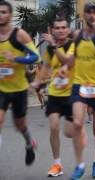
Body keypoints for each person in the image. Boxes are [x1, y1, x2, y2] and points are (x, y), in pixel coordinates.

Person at [59, 2, 95, 179]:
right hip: (80, 86)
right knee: (77, 124)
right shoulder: (77, 35)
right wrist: (64, 68)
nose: (91, 15)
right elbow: (71, 60)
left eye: (94, 12)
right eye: (88, 12)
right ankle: (80, 164)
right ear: (83, 15)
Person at [31, 17, 75, 177]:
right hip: (55, 94)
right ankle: (57, 164)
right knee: (54, 126)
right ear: (53, 30)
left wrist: (54, 45)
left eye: (64, 27)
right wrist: (37, 82)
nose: (61, 30)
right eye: (57, 28)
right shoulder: (50, 49)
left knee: (69, 133)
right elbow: (46, 67)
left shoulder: (73, 45)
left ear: (68, 30)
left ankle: (78, 128)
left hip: (72, 95)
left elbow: (68, 62)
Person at [0, 0, 39, 165]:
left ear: (10, 15)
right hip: (1, 88)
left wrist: (15, 59)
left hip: (18, 88)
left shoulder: (19, 35)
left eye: (3, 12)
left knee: (20, 125)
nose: (0, 15)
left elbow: (36, 57)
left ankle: (29, 143)